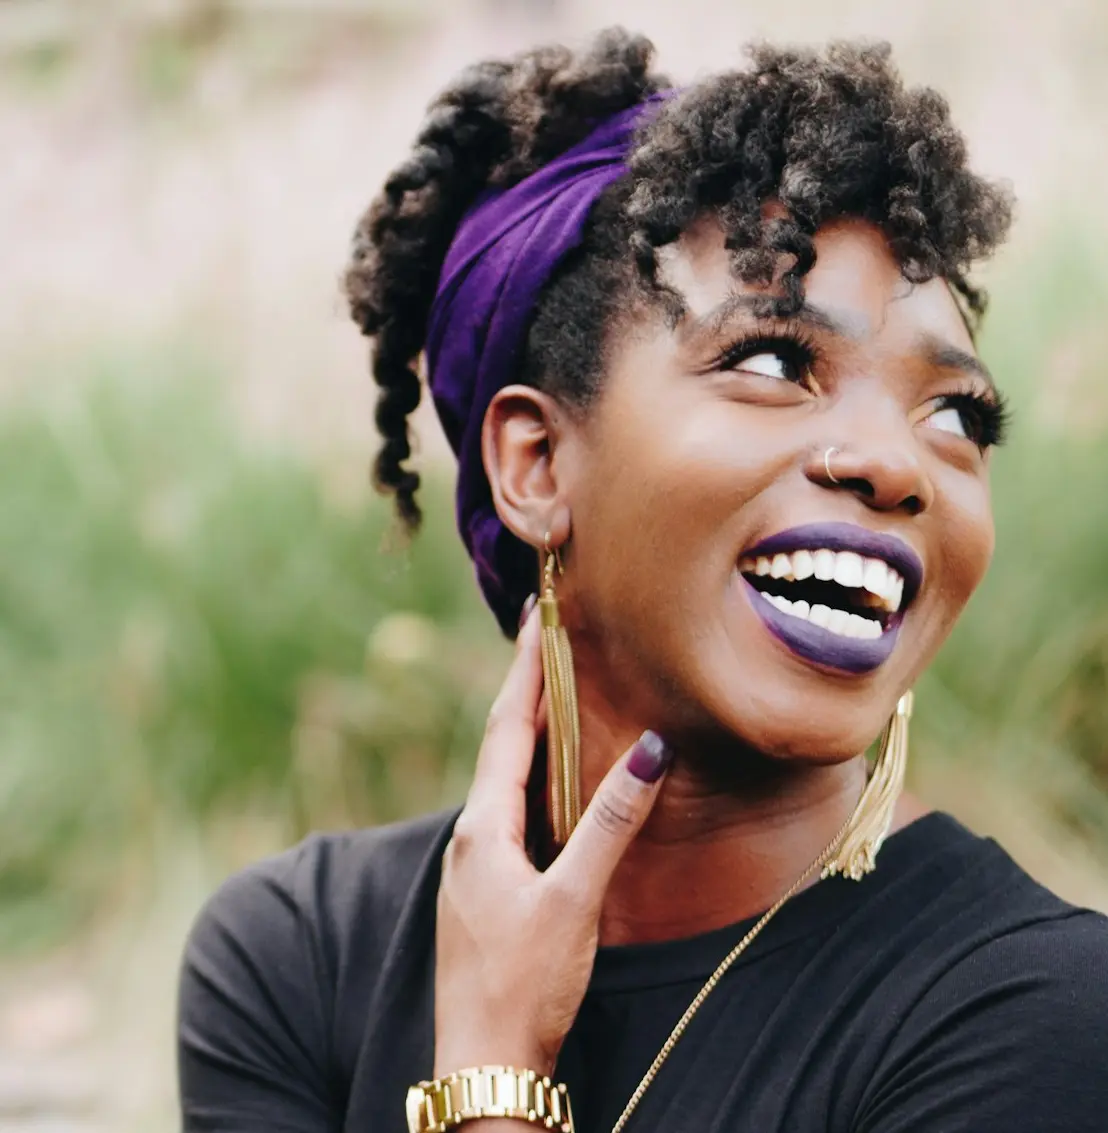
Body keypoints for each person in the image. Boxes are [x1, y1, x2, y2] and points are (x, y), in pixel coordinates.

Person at [177, 28, 1108, 1133]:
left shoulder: (1038, 1013)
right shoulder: (300, 957)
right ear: (536, 464)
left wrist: (492, 1075)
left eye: (955, 414)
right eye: (773, 360)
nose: (897, 464)